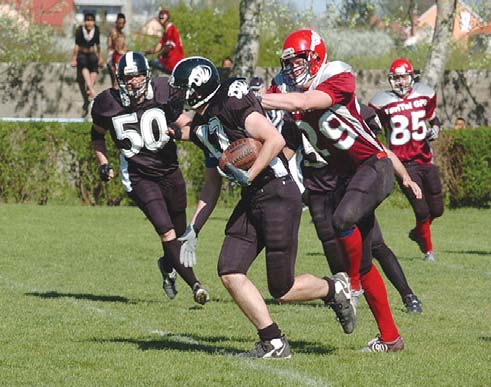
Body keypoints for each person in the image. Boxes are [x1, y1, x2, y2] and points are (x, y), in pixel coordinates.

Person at [168, 56, 356, 359]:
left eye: (180, 89)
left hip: (278, 193)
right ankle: (274, 341)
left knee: (282, 289)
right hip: (252, 198)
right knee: (229, 270)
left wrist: (249, 173)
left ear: (198, 88)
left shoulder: (231, 102)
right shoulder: (204, 125)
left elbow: (273, 138)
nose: (177, 95)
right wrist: (193, 228)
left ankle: (334, 289)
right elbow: (211, 185)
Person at [261, 29, 421, 352]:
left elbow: (306, 101)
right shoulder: (293, 95)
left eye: (298, 61)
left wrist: (258, 97)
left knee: (342, 219)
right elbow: (291, 142)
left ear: (316, 56)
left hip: (373, 167)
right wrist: (265, 172)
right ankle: (391, 338)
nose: (292, 69)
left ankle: (351, 287)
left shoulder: (337, 74)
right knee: (365, 259)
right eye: (288, 63)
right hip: (348, 180)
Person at [90, 51, 209, 305]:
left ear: (147, 76)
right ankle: (196, 286)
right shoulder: (107, 103)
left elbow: (186, 123)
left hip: (169, 171)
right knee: (167, 234)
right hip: (138, 175)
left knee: (179, 234)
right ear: (119, 78)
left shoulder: (164, 91)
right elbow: (97, 134)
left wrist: (182, 132)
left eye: (137, 76)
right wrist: (104, 162)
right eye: (128, 77)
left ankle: (167, 265)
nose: (133, 82)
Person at [369, 58, 444, 262]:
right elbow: (369, 126)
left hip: (426, 159)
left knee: (437, 210)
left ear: (411, 77)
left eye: (403, 77)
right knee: (421, 209)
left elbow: (434, 119)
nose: (400, 82)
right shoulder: (381, 102)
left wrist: (435, 129)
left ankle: (419, 233)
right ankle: (428, 251)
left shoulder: (425, 94)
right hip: (403, 164)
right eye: (396, 78)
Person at [71, 12, 104, 100]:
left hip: (91, 53)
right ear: (84, 21)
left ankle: (89, 87)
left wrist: (100, 57)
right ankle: (91, 88)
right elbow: (76, 46)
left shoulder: (96, 30)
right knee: (83, 63)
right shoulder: (79, 30)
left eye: (91, 21)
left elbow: (98, 45)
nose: (89, 23)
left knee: (94, 64)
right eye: (87, 20)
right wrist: (74, 59)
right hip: (82, 53)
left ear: (94, 22)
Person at [145, 9, 184, 74]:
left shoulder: (171, 30)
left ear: (168, 19)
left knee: (149, 64)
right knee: (150, 63)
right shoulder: (166, 32)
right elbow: (157, 48)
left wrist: (160, 54)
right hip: (167, 62)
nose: (161, 20)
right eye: (160, 18)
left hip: (173, 63)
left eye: (162, 18)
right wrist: (146, 52)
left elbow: (168, 47)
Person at [107, 13, 127, 89]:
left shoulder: (122, 34)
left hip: (119, 56)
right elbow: (116, 48)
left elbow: (124, 48)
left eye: (123, 23)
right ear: (116, 22)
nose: (121, 25)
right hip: (113, 56)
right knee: (116, 80)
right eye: (119, 23)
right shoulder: (114, 32)